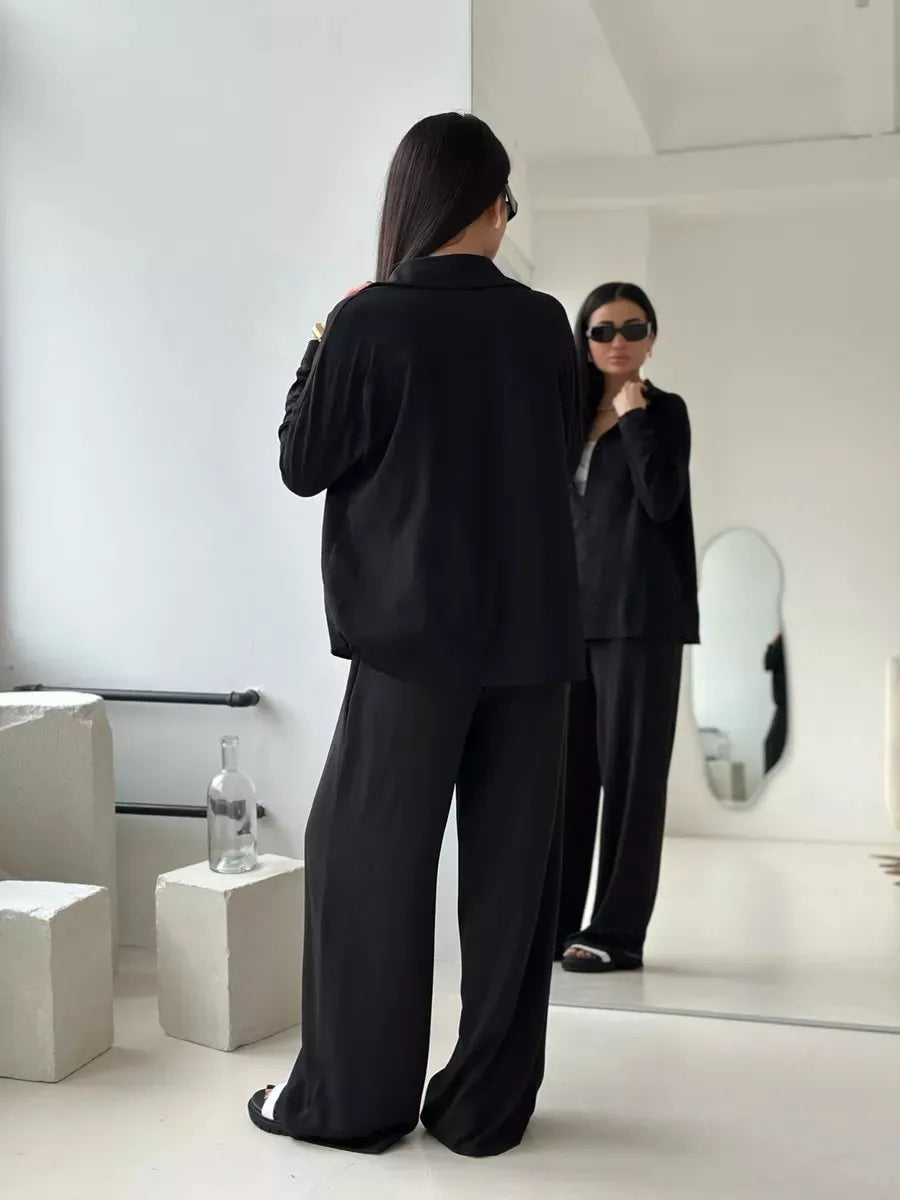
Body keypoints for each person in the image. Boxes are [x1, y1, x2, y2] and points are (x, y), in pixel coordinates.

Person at [248, 113, 584, 1157]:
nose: (506, 219)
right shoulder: (544, 323)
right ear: (484, 203)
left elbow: (303, 462)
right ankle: (485, 1111)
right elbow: (556, 452)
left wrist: (321, 336)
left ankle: (354, 1103)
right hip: (533, 645)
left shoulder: (368, 320)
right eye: (506, 202)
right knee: (511, 886)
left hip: (413, 647)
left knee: (364, 868)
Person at [558, 282, 699, 974]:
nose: (618, 341)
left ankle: (616, 932)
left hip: (643, 620)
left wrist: (634, 415)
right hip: (569, 620)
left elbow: (663, 499)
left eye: (633, 328)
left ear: (651, 338)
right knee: (565, 780)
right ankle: (555, 923)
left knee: (633, 781)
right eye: (603, 329)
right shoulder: (563, 416)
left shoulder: (664, 412)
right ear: (584, 339)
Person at [764, 633, 788, 773]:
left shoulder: (784, 640)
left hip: (785, 705)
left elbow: (768, 662)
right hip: (786, 703)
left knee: (773, 745)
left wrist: (771, 644)